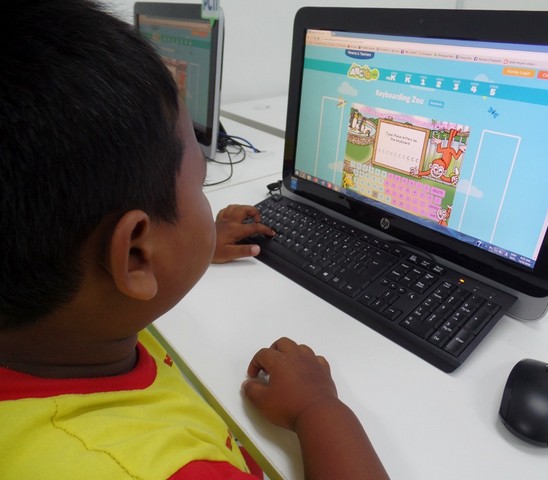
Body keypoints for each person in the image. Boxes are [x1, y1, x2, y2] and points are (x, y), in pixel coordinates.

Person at [0, 1, 389, 479]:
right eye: (201, 186)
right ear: (136, 255)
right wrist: (318, 409)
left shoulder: (61, 329)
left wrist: (192, 244)